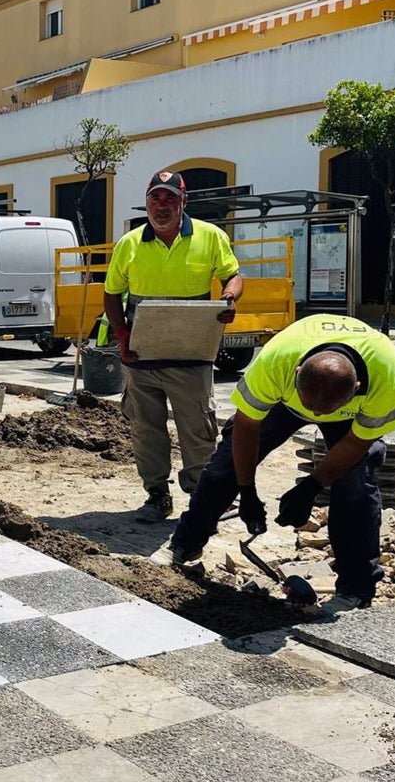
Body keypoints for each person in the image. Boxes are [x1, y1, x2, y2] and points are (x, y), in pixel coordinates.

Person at [153, 314, 395, 616]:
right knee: (225, 466)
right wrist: (246, 491)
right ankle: (185, 544)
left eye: (323, 411)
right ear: (297, 372)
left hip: (349, 416)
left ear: (357, 387)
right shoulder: (276, 361)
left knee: (356, 486)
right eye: (309, 406)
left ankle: (356, 588)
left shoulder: (386, 378)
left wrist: (311, 487)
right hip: (285, 402)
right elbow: (247, 428)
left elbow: (355, 444)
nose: (315, 415)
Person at [104, 170, 244, 523]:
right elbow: (111, 294)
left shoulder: (210, 237)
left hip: (191, 355)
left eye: (170, 198)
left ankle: (203, 497)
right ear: (147, 202)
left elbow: (232, 275)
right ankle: (156, 496)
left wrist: (228, 298)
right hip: (141, 358)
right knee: (146, 429)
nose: (161, 206)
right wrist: (121, 334)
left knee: (198, 428)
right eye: (155, 198)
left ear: (184, 201)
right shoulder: (130, 244)